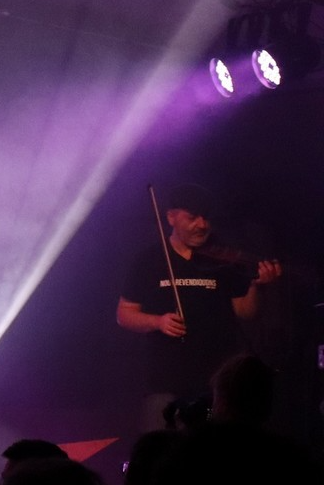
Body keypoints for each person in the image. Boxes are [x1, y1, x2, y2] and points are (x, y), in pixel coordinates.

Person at [116, 184, 278, 430]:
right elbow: (124, 314)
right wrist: (157, 322)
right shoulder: (148, 260)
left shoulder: (223, 261)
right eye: (192, 218)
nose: (202, 225)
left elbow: (245, 312)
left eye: (206, 218)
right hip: (164, 383)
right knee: (162, 453)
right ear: (171, 217)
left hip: (216, 384)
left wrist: (257, 286)